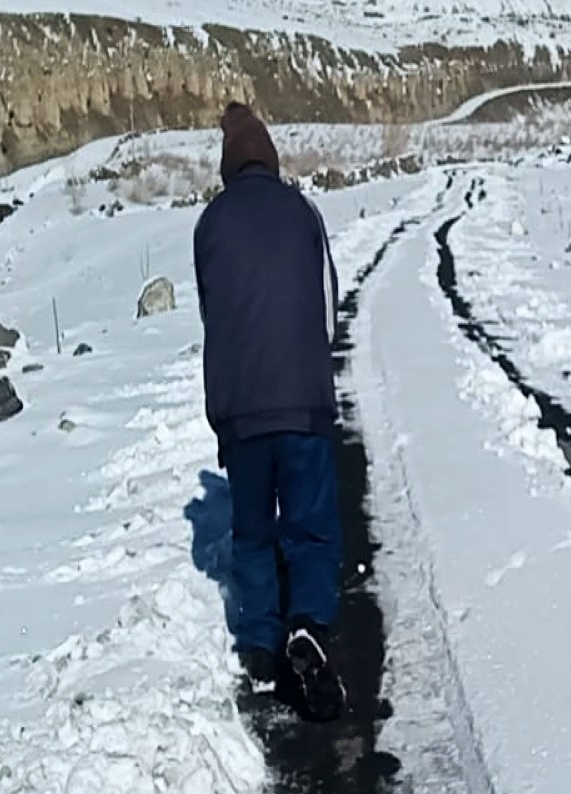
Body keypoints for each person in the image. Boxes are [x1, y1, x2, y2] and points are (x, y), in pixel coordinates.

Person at [194, 101, 345, 722]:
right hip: (302, 399)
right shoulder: (302, 210)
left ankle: (259, 647)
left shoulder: (209, 224)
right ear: (274, 157)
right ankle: (306, 623)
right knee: (309, 524)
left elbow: (213, 315)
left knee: (254, 532)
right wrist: (315, 369)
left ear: (228, 165)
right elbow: (329, 302)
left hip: (241, 406)